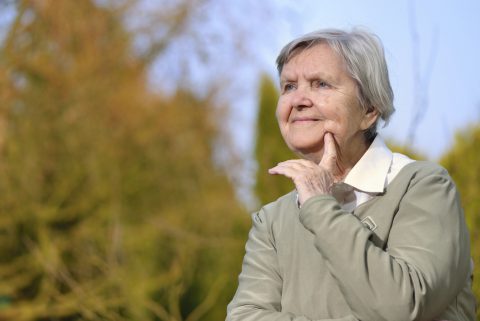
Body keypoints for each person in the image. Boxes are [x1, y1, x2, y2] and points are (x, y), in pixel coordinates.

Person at [226, 28, 476, 321]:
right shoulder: (272, 220)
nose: (299, 100)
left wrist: (320, 207)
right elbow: (245, 316)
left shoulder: (424, 186)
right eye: (289, 86)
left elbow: (402, 306)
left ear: (369, 109)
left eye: (320, 84)